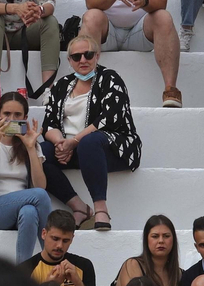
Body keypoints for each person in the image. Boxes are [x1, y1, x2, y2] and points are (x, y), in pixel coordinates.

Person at [39, 35, 139, 229]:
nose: (83, 60)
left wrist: (73, 141)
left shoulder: (110, 78)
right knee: (39, 153)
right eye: (76, 57)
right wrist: (60, 143)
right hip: (70, 149)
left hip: (111, 148)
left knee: (89, 142)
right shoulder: (61, 85)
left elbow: (110, 118)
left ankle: (101, 209)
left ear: (97, 56)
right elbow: (49, 124)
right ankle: (78, 207)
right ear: (69, 61)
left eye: (88, 54)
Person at [0, 92, 54, 260]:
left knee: (30, 212)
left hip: (22, 209)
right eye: (6, 114)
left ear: (25, 118)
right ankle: (50, 256)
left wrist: (31, 148)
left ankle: (23, 272)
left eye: (17, 115)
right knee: (39, 196)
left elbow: (40, 185)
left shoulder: (31, 145)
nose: (11, 119)